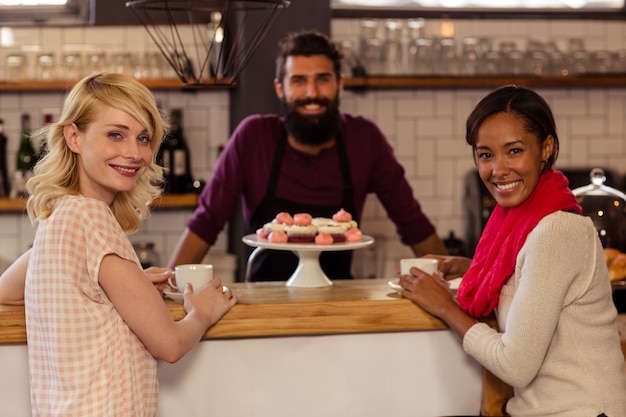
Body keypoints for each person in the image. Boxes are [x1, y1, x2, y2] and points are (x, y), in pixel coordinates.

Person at [0, 72, 237, 416]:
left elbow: (5, 290)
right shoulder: (95, 219)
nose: (134, 153)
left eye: (143, 138)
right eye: (115, 135)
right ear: (74, 137)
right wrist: (202, 313)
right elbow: (169, 345)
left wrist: (127, 285)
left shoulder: (60, 216)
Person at [399, 85, 626, 417]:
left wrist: (446, 307)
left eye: (514, 151)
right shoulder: (525, 220)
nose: (498, 169)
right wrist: (469, 266)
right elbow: (532, 278)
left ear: (545, 148)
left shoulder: (557, 230)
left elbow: (514, 364)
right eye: (486, 154)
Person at [168, 30, 447, 281]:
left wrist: (453, 287)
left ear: (339, 84)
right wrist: (167, 290)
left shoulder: (364, 139)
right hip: (263, 301)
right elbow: (205, 223)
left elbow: (413, 224)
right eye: (299, 80)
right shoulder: (253, 137)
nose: (312, 93)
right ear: (281, 88)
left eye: (322, 79)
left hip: (340, 300)